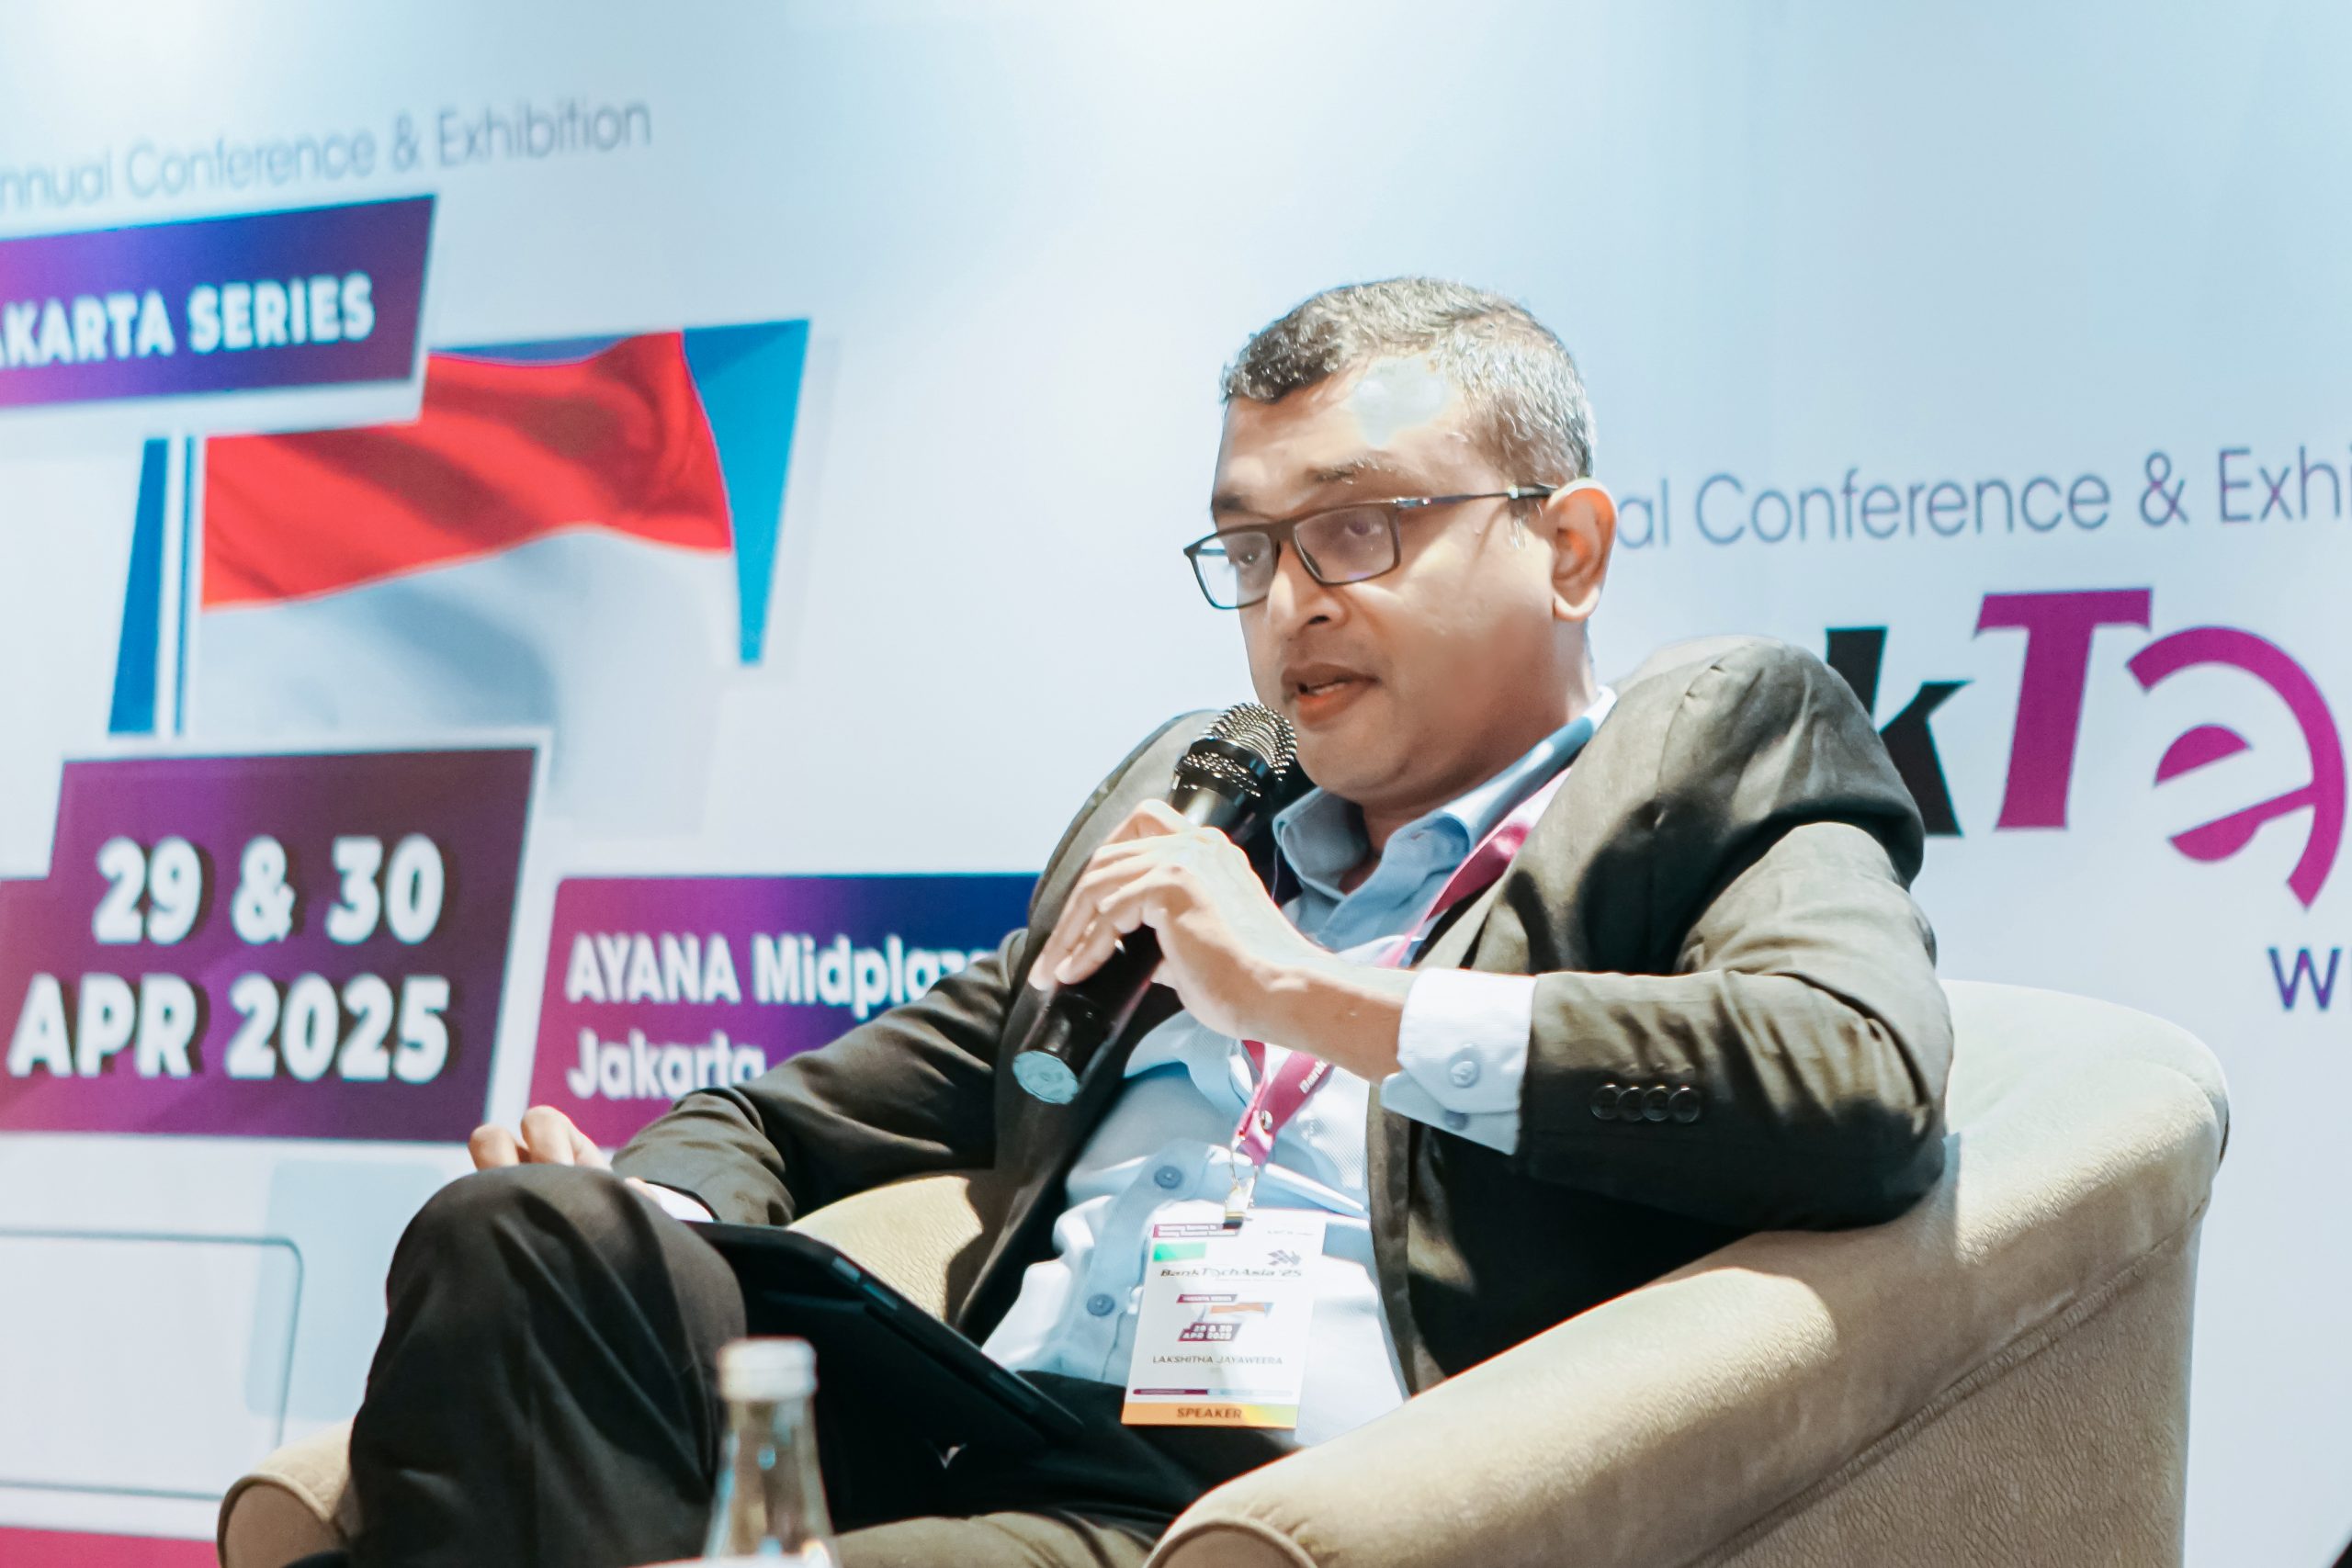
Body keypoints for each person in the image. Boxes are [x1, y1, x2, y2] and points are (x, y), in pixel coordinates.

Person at [345, 278, 1952, 1568]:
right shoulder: (1194, 833)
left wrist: (1312, 997)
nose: (1291, 601)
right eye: (1249, 549)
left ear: (1569, 547)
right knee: (521, 1233)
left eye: (1359, 528)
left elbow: (1856, 1079)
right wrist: (633, 1218)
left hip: (1251, 1505)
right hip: (972, 1423)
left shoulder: (1707, 759)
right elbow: (772, 1122)